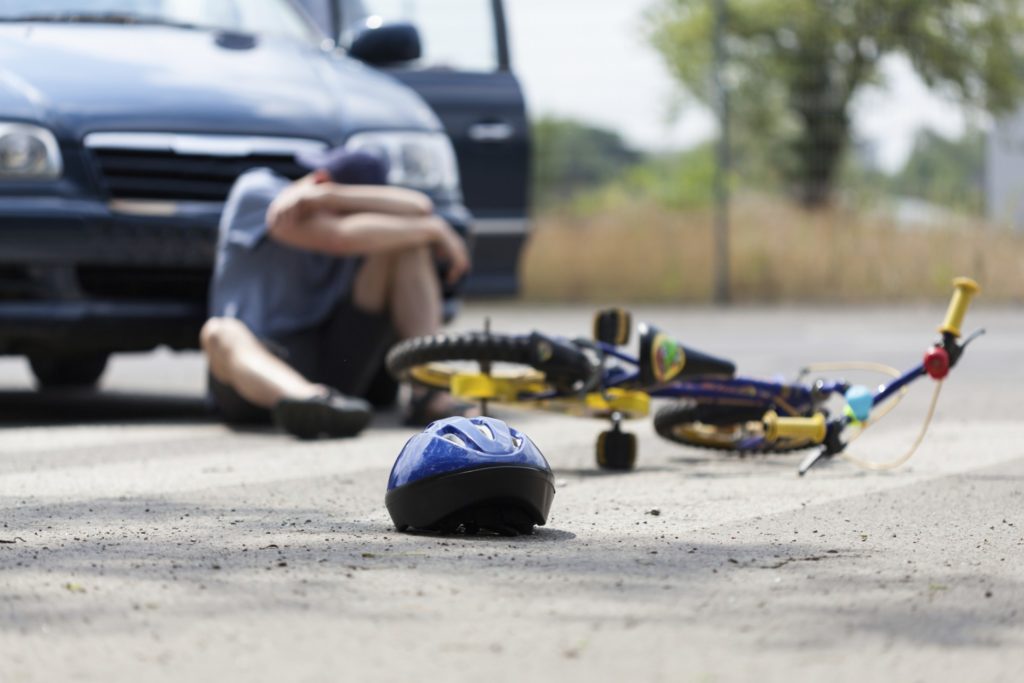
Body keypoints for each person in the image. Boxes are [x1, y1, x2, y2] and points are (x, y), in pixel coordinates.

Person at [200, 147, 472, 439]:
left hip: (332, 366)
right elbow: (337, 238)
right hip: (252, 376)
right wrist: (433, 229)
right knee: (220, 331)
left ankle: (427, 392)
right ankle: (311, 404)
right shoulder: (259, 193)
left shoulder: (341, 208)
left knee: (407, 242)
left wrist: (330, 196)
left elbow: (421, 208)